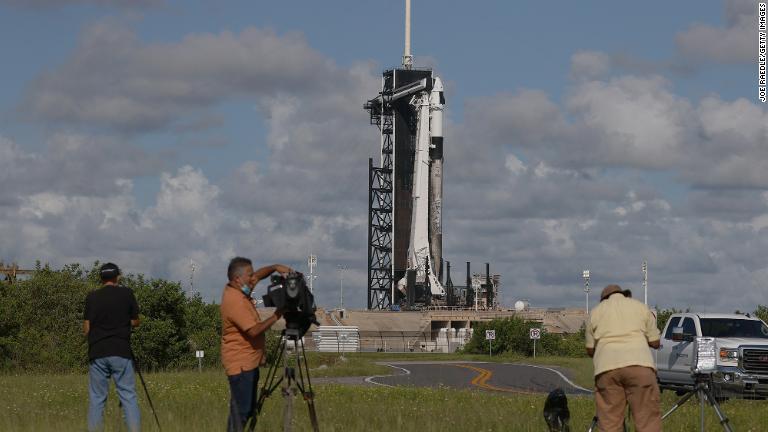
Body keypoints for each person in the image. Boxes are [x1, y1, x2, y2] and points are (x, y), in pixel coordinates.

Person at [221, 257, 291, 432]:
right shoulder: (235, 301)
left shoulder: (240, 288)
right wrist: (278, 314)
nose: (253, 279)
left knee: (247, 410)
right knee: (241, 412)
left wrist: (275, 267)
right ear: (238, 279)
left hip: (249, 362)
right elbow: (253, 331)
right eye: (249, 275)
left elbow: (258, 275)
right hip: (240, 365)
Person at [585, 284, 661, 432]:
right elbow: (655, 342)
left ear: (603, 299)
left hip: (607, 369)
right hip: (640, 366)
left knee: (610, 422)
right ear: (625, 294)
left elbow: (589, 349)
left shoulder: (596, 312)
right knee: (647, 420)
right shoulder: (640, 307)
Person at [83, 262, 141, 432]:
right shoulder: (127, 293)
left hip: (98, 352)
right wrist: (124, 322)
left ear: (101, 278)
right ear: (117, 277)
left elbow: (86, 329)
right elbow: (136, 321)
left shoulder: (92, 297)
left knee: (97, 399)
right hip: (121, 351)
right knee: (128, 396)